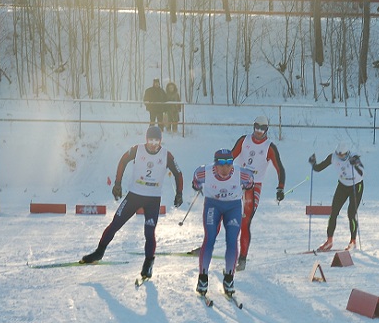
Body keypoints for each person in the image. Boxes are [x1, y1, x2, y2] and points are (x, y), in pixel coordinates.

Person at [80, 126, 184, 278]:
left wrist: (179, 193)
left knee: (149, 232)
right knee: (115, 223)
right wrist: (117, 183)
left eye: (156, 141)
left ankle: (148, 263)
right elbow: (122, 161)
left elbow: (178, 173)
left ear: (160, 141)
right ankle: (99, 252)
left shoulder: (166, 155)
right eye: (150, 140)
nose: (153, 144)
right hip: (134, 195)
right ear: (146, 139)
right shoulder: (137, 150)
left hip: (153, 199)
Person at [191, 149, 254, 296]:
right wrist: (197, 186)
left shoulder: (242, 174)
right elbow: (195, 180)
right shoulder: (204, 172)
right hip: (213, 205)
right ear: (215, 165)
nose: (225, 170)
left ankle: (229, 278)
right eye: (221, 165)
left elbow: (250, 183)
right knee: (210, 238)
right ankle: (203, 278)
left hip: (233, 206)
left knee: (232, 240)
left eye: (229, 165)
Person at [230, 115, 286, 271]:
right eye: (257, 127)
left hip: (254, 186)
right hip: (237, 181)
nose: (259, 131)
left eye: (262, 129)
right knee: (224, 213)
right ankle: (208, 246)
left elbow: (280, 168)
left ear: (266, 130)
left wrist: (280, 187)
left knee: (245, 222)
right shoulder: (244, 140)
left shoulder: (269, 147)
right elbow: (230, 156)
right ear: (253, 126)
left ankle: (242, 258)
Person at [308, 143, 364, 251]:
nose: (340, 157)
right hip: (343, 185)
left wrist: (355, 165)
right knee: (333, 212)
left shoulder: (354, 157)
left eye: (342, 156)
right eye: (339, 155)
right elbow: (319, 168)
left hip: (356, 186)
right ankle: (329, 241)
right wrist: (313, 164)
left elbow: (362, 173)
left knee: (351, 213)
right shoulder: (333, 157)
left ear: (347, 154)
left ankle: (353, 241)